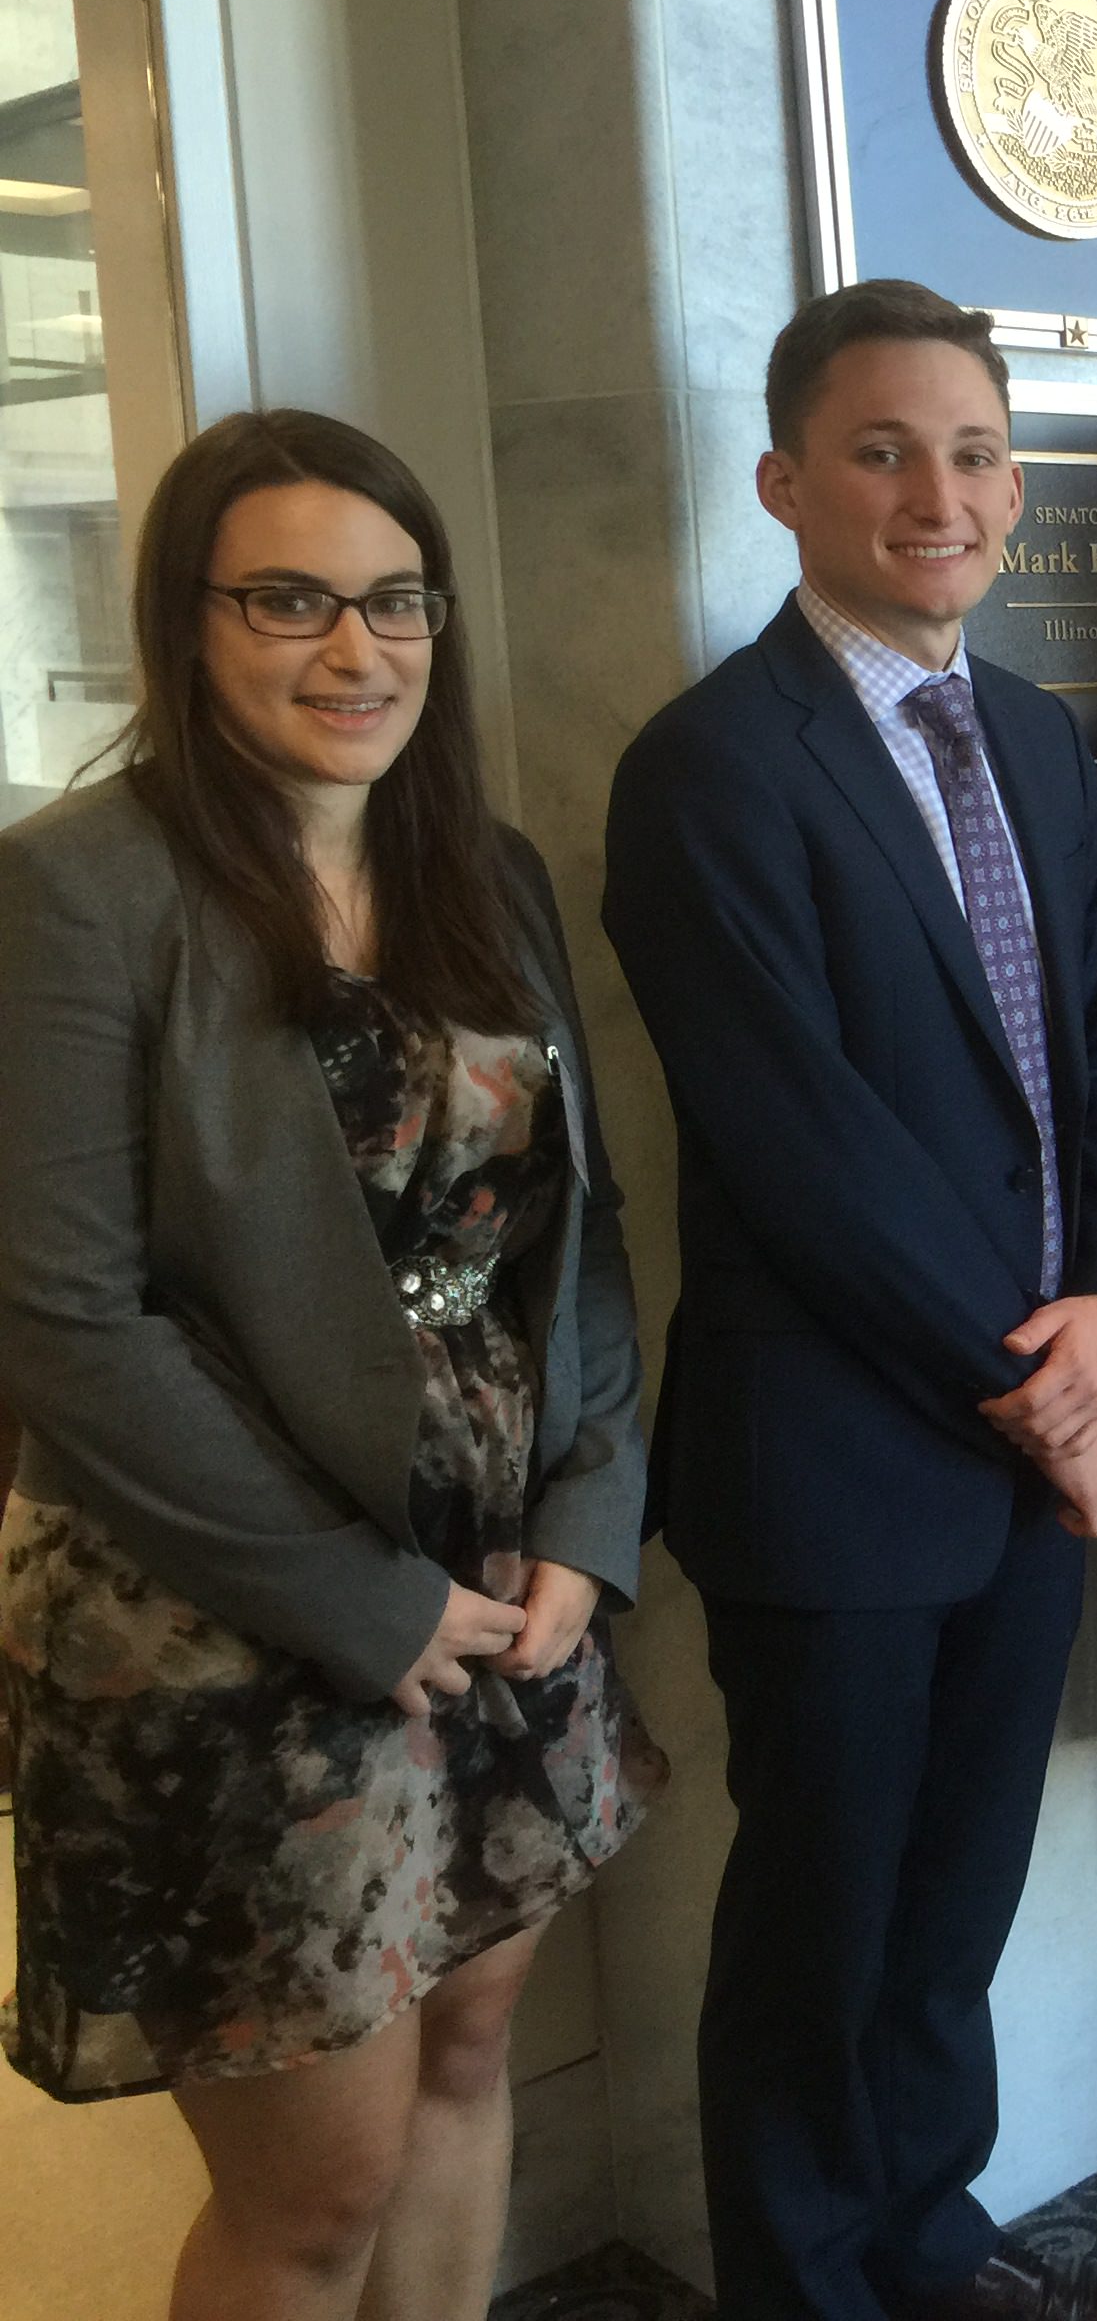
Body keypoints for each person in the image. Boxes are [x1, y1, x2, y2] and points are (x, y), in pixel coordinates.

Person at [0, 408, 659, 2321]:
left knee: (469, 2063)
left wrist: (587, 1517)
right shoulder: (78, 889)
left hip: (503, 1580)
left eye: (394, 603)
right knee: (317, 2191)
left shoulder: (488, 869)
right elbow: (64, 1320)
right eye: (289, 601)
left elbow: (579, 1235)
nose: (354, 649)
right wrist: (353, 1600)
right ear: (188, 623)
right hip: (227, 1607)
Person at [603, 281, 1097, 2321]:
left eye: (973, 451)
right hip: (841, 1466)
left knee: (950, 1916)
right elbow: (804, 1147)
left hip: (1030, 1450)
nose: (940, 492)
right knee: (821, 1935)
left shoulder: (1023, 734)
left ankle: (932, 2251)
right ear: (785, 483)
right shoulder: (708, 770)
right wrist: (1052, 1399)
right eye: (881, 449)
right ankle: (812, 2294)